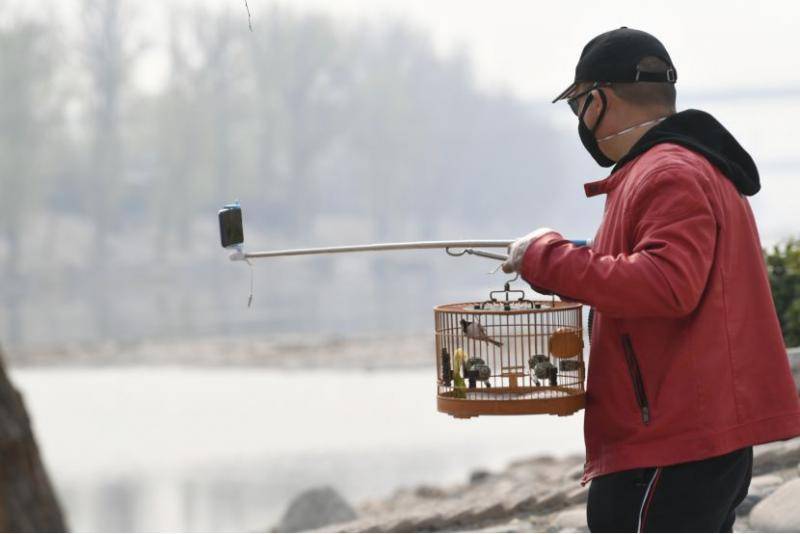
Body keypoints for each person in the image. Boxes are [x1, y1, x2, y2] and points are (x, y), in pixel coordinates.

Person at [500, 27, 800, 532]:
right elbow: (646, 267)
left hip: (671, 440)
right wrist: (561, 261)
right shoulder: (678, 166)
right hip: (686, 437)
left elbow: (665, 284)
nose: (579, 120)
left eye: (578, 104)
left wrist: (548, 259)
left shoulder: (668, 172)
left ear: (598, 99)